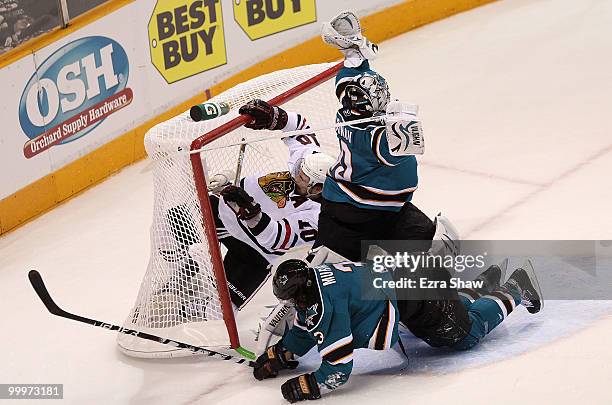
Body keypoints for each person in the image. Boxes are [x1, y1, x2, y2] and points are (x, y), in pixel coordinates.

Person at [242, 11, 436, 263]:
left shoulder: (350, 119)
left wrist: (354, 53)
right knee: (331, 276)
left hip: (364, 207)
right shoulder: (372, 135)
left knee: (426, 256)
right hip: (364, 208)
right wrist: (402, 120)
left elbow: (346, 82)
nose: (295, 174)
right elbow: (405, 145)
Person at [253, 257, 543, 402]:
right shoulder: (316, 279)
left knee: (464, 335)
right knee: (453, 317)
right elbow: (306, 327)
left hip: (419, 295)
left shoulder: (328, 305)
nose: (292, 304)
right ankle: (485, 282)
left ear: (301, 291)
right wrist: (281, 354)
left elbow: (338, 369)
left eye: (292, 298)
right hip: (411, 282)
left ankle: (517, 286)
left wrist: (307, 386)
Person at [165, 101, 335, 310]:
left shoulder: (318, 216)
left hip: (253, 253)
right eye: (299, 168)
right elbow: (299, 125)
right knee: (173, 221)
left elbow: (274, 238)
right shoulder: (308, 161)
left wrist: (251, 213)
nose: (296, 173)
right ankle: (185, 272)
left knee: (216, 316)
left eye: (302, 176)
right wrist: (275, 116)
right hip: (224, 215)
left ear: (316, 188)